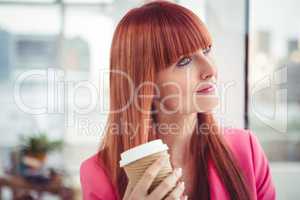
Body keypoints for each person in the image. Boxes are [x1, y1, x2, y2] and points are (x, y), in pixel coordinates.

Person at [80, 1, 276, 199]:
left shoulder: (246, 150)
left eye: (206, 50)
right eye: (184, 61)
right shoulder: (98, 175)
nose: (210, 70)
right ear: (145, 83)